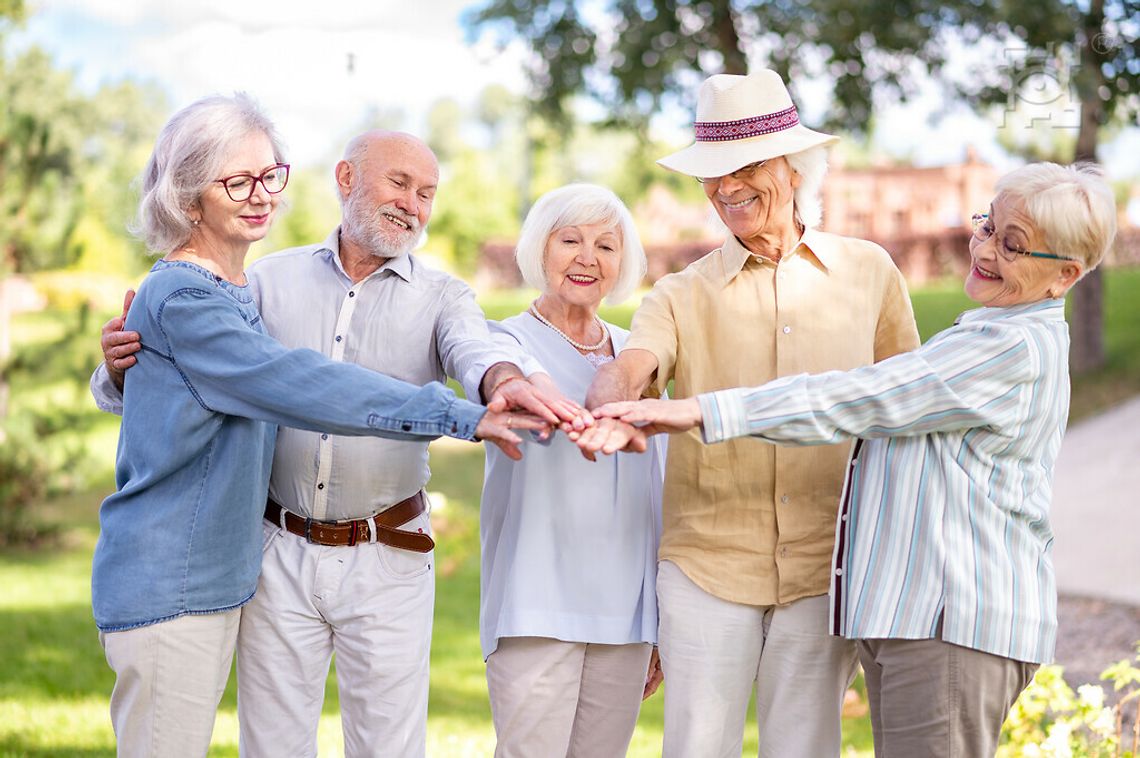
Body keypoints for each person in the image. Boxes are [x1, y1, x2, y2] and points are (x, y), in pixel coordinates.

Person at [596, 161, 1117, 758]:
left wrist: (698, 413)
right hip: (917, 625)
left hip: (952, 626)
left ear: (1065, 277)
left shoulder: (1007, 349)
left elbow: (862, 397)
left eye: (1014, 245)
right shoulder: (983, 334)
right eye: (988, 226)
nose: (987, 249)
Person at [89, 94, 551, 758]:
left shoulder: (431, 293)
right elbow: (291, 382)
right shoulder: (243, 287)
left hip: (351, 556)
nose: (260, 195)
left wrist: (502, 385)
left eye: (269, 175)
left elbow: (477, 350)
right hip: (234, 564)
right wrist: (457, 416)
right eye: (237, 180)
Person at [575, 70, 921, 758]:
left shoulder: (870, 272)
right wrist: (609, 399)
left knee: (804, 746)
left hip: (827, 564)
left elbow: (908, 405)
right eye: (713, 173)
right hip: (708, 564)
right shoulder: (678, 293)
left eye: (746, 167)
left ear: (795, 171)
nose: (726, 187)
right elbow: (633, 366)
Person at [469, 184, 665, 757]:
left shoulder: (638, 356)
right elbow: (521, 385)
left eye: (606, 245)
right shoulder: (504, 342)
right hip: (536, 601)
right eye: (570, 240)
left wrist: (660, 622)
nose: (587, 257)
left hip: (627, 611)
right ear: (540, 249)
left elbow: (660, 486)